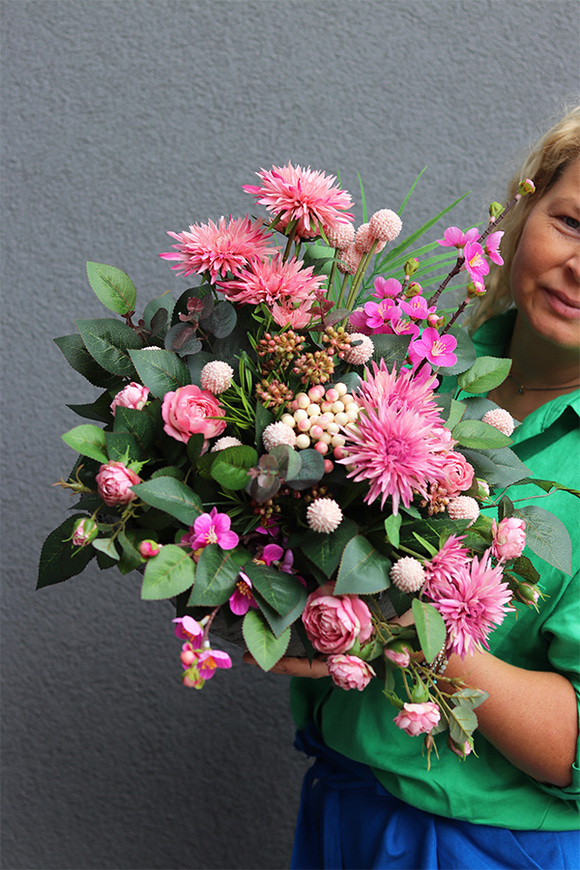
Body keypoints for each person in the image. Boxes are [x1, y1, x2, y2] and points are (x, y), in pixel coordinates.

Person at [245, 107, 580, 869]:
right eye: (572, 222)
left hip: (487, 851)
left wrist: (396, 614)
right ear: (525, 210)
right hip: (342, 810)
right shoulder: (412, 364)